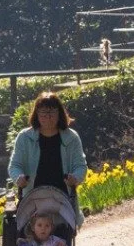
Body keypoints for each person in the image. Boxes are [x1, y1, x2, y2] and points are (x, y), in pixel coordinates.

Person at [7, 92, 87, 224]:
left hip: (63, 201)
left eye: (52, 113)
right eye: (43, 114)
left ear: (59, 114)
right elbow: (15, 165)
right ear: (36, 115)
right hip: (32, 201)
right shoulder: (24, 137)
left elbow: (81, 166)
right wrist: (18, 178)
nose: (47, 118)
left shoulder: (71, 138)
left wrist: (75, 178)